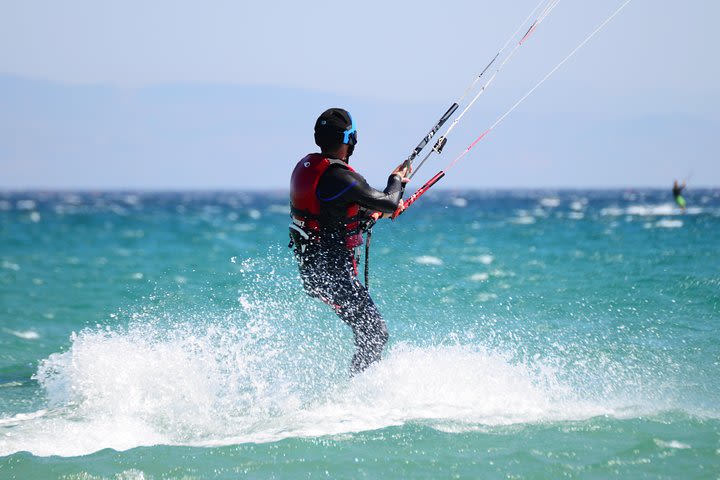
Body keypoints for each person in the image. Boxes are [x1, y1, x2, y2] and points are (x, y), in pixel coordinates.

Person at [288, 107, 410, 375]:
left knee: (369, 331)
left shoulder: (308, 168)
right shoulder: (339, 176)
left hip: (315, 273)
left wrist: (370, 213)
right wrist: (396, 180)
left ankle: (358, 386)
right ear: (350, 141)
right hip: (332, 276)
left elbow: (333, 209)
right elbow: (388, 200)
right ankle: (357, 394)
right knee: (375, 332)